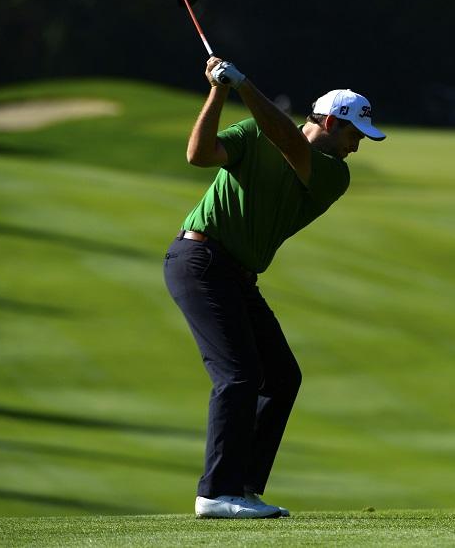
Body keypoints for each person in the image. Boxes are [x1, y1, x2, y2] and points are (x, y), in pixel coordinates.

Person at [163, 56, 385, 519]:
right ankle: (216, 493)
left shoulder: (332, 175)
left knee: (281, 376)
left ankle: (241, 486)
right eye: (353, 135)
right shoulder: (251, 133)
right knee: (239, 375)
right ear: (328, 121)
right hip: (199, 260)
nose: (356, 148)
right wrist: (219, 91)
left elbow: (288, 141)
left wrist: (243, 84)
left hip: (237, 274)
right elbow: (199, 156)